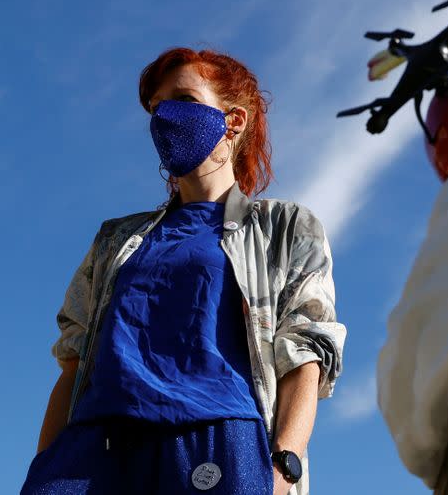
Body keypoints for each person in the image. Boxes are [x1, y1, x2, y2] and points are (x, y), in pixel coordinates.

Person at [21, 47, 347, 495]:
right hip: (96, 446)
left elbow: (307, 352)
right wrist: (43, 467)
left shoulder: (285, 227)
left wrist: (282, 467)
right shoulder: (115, 239)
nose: (165, 117)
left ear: (234, 120)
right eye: (156, 107)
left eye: (185, 100)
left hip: (215, 438)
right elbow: (74, 363)